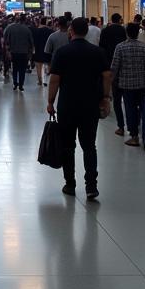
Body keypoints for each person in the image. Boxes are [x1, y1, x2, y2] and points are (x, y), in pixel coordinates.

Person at [47, 17, 111, 201]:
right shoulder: (97, 52)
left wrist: (51, 101)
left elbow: (55, 79)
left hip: (67, 105)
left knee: (68, 145)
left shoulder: (62, 52)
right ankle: (91, 186)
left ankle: (70, 183)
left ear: (71, 31)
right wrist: (105, 98)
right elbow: (107, 75)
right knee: (89, 145)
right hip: (90, 105)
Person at [110, 22, 145, 145]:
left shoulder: (120, 47)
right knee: (143, 108)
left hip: (126, 85)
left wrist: (110, 83)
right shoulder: (143, 47)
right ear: (138, 33)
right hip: (142, 84)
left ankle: (134, 136)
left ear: (127, 33)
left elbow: (114, 67)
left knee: (130, 109)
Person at [4, 15, 33, 92]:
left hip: (13, 52)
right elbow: (31, 42)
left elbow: (5, 40)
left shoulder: (10, 28)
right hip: (24, 53)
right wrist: (30, 53)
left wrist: (8, 51)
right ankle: (21, 85)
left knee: (15, 68)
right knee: (22, 69)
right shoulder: (27, 29)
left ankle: (15, 83)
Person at [32, 19, 53, 86]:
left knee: (38, 67)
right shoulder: (50, 31)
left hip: (38, 51)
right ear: (46, 23)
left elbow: (34, 42)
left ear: (40, 22)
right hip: (48, 51)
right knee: (49, 66)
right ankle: (49, 80)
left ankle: (40, 81)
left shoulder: (36, 31)